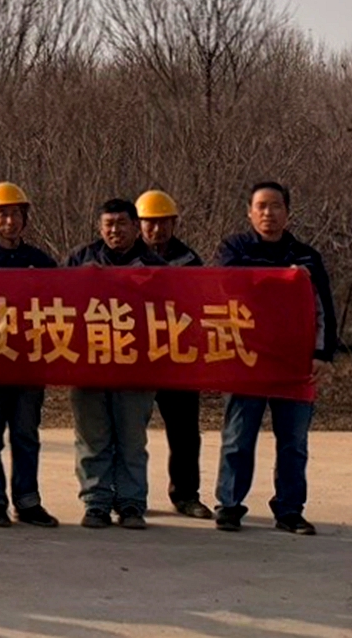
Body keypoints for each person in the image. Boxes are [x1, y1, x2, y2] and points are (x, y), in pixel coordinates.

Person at [213, 181, 337, 535]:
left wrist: (323, 354)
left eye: (276, 206)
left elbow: (324, 309)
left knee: (294, 442)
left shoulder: (306, 256)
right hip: (246, 359)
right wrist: (284, 279)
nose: (269, 213)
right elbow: (225, 286)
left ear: (288, 213)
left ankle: (289, 510)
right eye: (261, 206)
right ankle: (229, 505)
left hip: (294, 363)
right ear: (249, 212)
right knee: (238, 438)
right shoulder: (234, 249)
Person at [0, 182, 60, 529]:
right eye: (2, 214)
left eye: (15, 214)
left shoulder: (41, 262)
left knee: (26, 435)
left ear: (25, 218)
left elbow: (61, 305)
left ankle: (28, 501)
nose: (9, 221)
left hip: (29, 364)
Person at [66, 198, 166, 530]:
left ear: (136, 227)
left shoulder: (155, 266)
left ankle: (131, 503)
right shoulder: (81, 259)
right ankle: (96, 502)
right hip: (88, 364)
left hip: (136, 367)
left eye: (122, 223)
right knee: (92, 437)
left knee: (131, 439)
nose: (115, 230)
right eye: (108, 224)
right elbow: (57, 303)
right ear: (100, 228)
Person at [135, 188, 214, 520]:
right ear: (139, 224)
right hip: (136, 359)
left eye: (164, 222)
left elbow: (203, 303)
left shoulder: (188, 260)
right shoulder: (126, 258)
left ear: (174, 223)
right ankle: (129, 495)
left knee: (184, 433)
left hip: (178, 359)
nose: (157, 229)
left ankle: (185, 494)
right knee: (129, 433)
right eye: (150, 223)